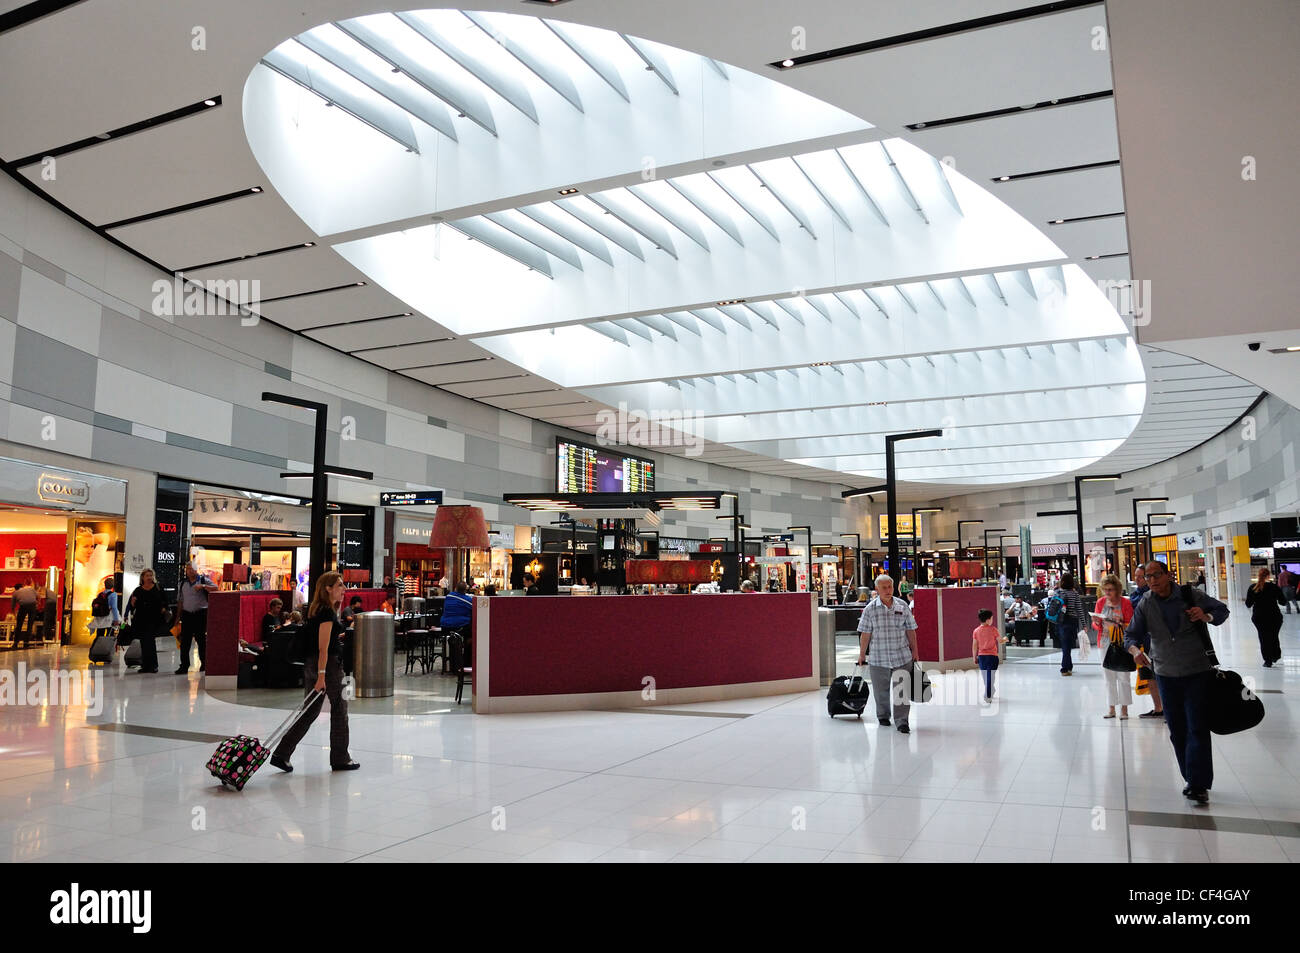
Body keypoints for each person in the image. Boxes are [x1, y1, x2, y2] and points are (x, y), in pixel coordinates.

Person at [1125, 560, 1229, 805]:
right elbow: (1132, 633)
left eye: (1156, 575)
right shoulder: (1145, 603)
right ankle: (1191, 777)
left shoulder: (1189, 594)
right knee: (1177, 730)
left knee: (1197, 727)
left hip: (1196, 671)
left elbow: (1222, 611)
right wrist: (1133, 650)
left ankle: (1198, 784)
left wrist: (1206, 615)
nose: (1152, 581)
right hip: (1165, 673)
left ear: (1169, 575)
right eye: (1147, 577)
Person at [270, 572, 359, 773]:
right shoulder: (327, 613)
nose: (344, 589)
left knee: (309, 711)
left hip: (313, 664)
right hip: (327, 667)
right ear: (327, 588)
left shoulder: (316, 610)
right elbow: (323, 648)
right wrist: (321, 676)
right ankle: (340, 758)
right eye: (340, 585)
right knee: (339, 709)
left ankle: (281, 753)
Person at [855, 574, 920, 734]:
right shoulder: (870, 609)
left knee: (902, 691)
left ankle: (902, 721)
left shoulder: (902, 605)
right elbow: (865, 634)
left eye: (889, 586)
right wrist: (862, 654)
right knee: (880, 691)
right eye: (883, 587)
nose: (887, 590)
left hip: (902, 656)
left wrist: (915, 650)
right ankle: (883, 716)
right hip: (879, 657)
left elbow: (910, 630)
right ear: (877, 589)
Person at [1093, 574, 1134, 720]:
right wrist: (1097, 621)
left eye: (1110, 590)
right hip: (1104, 642)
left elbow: (1131, 623)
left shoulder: (1125, 603)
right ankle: (1111, 708)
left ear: (1117, 589)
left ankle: (1124, 709)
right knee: (1108, 676)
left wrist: (1120, 623)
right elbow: (1096, 624)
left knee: (1123, 675)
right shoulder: (1100, 602)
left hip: (1122, 642)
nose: (1108, 593)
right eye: (1105, 590)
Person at [175, 564, 217, 674]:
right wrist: (177, 617)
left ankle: (204, 663)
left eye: (192, 569)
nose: (190, 571)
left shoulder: (203, 580)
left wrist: (203, 586)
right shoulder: (182, 583)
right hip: (187, 615)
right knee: (185, 642)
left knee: (201, 640)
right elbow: (180, 601)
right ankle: (184, 665)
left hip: (200, 614)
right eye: (188, 569)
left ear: (196, 570)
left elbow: (216, 588)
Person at [123, 568, 165, 673]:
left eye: (151, 575)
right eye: (147, 575)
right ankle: (145, 665)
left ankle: (154, 665)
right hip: (141, 620)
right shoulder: (138, 590)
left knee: (150, 642)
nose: (149, 577)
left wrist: (163, 609)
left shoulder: (158, 588)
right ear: (142, 577)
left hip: (153, 619)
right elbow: (133, 606)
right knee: (143, 643)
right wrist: (132, 605)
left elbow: (165, 602)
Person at [1245, 567, 1286, 667]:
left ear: (1258, 576)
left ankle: (1267, 660)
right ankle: (1275, 655)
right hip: (1274, 616)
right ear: (1268, 576)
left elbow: (1248, 604)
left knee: (1263, 637)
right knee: (1274, 636)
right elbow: (1283, 602)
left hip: (1259, 616)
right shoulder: (1274, 587)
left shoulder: (1252, 587)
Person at [1051, 573, 1086, 676]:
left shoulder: (1057, 593)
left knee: (1065, 644)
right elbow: (1079, 610)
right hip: (1072, 621)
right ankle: (1066, 667)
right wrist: (1084, 624)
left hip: (1061, 621)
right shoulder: (1074, 594)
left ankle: (1067, 666)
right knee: (1068, 644)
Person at [972, 609, 1005, 702]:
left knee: (985, 676)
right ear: (987, 620)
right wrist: (1005, 639)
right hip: (992, 657)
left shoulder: (976, 631)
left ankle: (989, 692)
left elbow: (974, 645)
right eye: (991, 618)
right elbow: (1000, 641)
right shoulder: (993, 629)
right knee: (991, 676)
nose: (992, 620)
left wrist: (974, 657)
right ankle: (988, 694)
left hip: (981, 657)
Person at [89, 576, 120, 642]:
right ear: (113, 586)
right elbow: (114, 608)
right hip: (109, 618)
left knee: (99, 636)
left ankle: (98, 649)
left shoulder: (100, 594)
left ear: (105, 585)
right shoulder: (113, 594)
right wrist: (116, 619)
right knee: (110, 636)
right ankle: (106, 650)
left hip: (100, 618)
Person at [11, 578, 38, 648]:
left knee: (19, 625)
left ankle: (15, 643)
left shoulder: (15, 593)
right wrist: (37, 604)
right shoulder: (31, 589)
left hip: (23, 606)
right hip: (32, 606)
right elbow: (39, 596)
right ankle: (26, 643)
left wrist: (14, 614)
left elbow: (13, 606)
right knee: (30, 625)